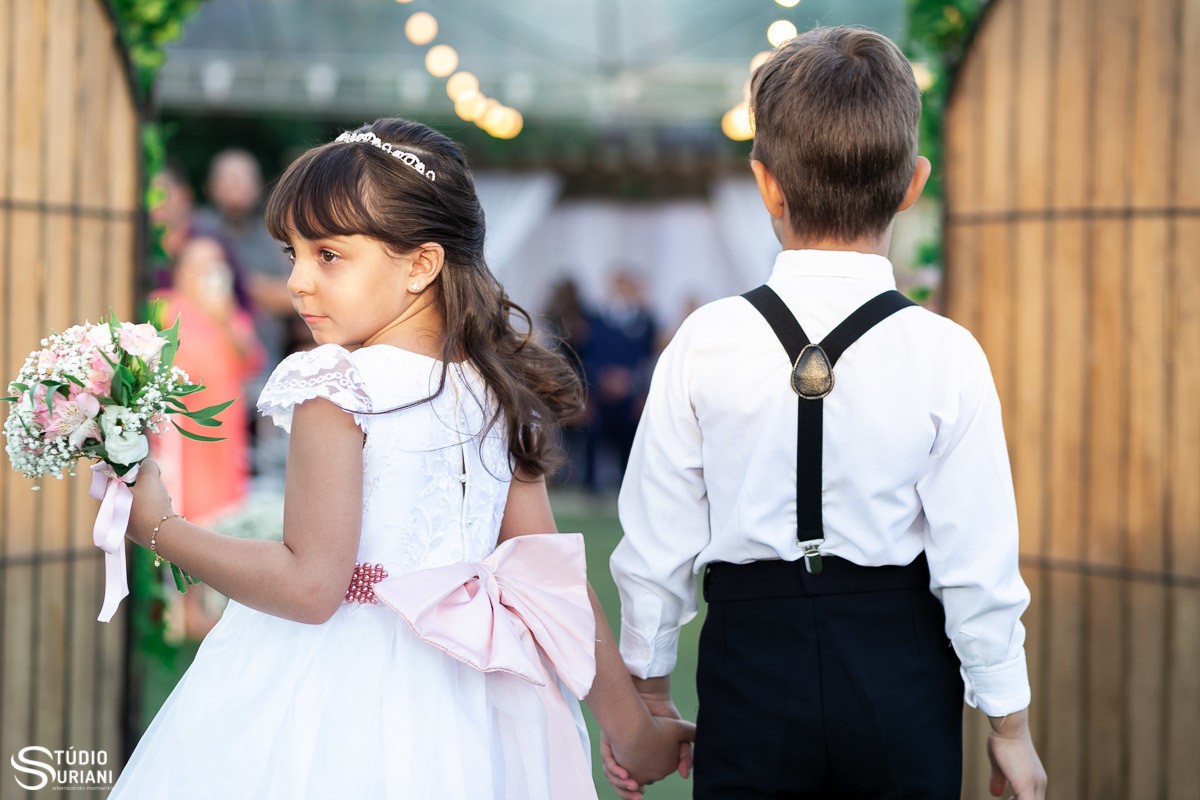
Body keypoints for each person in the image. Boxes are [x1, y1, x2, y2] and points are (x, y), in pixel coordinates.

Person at [111, 118, 693, 799]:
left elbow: (311, 587)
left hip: (340, 693)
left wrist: (159, 527)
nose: (296, 281)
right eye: (292, 252)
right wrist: (632, 730)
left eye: (328, 255)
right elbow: (550, 581)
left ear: (421, 265)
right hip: (475, 701)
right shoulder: (493, 387)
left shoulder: (336, 384)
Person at [602, 27, 1046, 800]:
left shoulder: (703, 340)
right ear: (913, 184)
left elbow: (655, 542)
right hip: (901, 671)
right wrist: (1009, 725)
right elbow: (977, 563)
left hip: (750, 665)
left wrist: (648, 689)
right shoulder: (946, 352)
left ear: (765, 184)